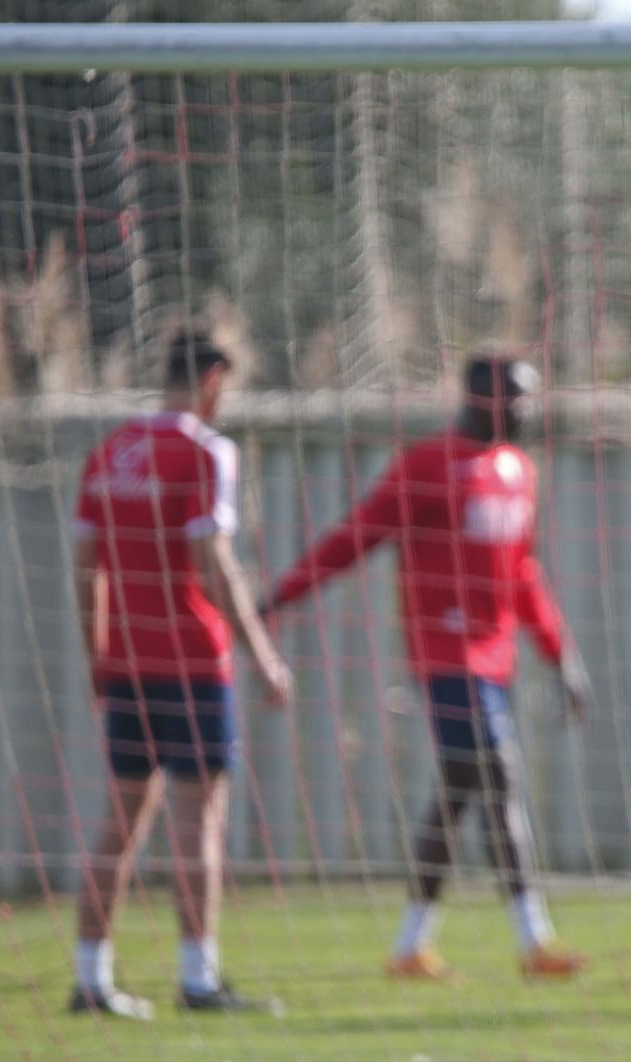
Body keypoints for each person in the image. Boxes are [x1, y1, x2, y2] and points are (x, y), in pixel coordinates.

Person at [264, 352, 593, 980]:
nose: (528, 409)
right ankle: (534, 941)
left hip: (495, 659)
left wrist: (562, 657)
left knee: (459, 792)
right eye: (517, 398)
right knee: (499, 773)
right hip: (443, 653)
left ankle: (411, 946)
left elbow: (524, 575)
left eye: (531, 397)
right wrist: (280, 596)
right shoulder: (428, 465)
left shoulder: (518, 470)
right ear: (480, 397)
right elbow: (358, 534)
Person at [68, 328, 293, 1019]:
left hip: (127, 662)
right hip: (193, 663)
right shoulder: (206, 450)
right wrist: (263, 655)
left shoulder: (108, 452)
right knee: (199, 823)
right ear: (214, 379)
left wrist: (97, 655)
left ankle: (89, 978)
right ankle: (198, 981)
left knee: (121, 819)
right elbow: (212, 561)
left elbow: (85, 567)